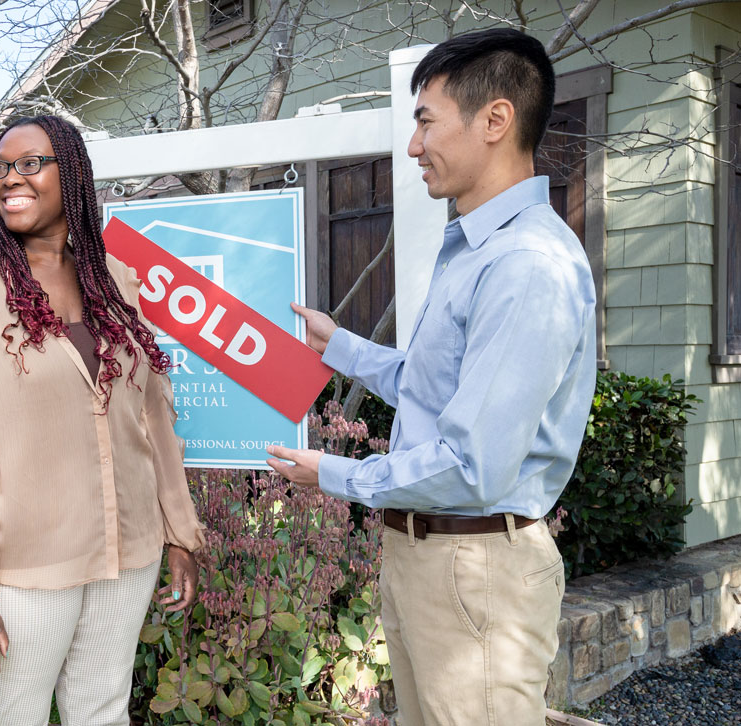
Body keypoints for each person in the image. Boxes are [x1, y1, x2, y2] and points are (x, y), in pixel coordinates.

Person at [266, 28, 596, 726]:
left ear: (494, 120)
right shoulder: (480, 249)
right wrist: (341, 347)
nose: (413, 146)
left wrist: (332, 474)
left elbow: (471, 465)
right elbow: (438, 387)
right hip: (434, 560)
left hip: (472, 569)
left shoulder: (524, 264)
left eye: (423, 121)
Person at [0, 115, 205, 726]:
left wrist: (179, 531)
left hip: (128, 552)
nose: (9, 179)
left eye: (29, 163)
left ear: (72, 174)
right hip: (24, 571)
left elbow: (152, 416)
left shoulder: (115, 281)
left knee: (104, 712)